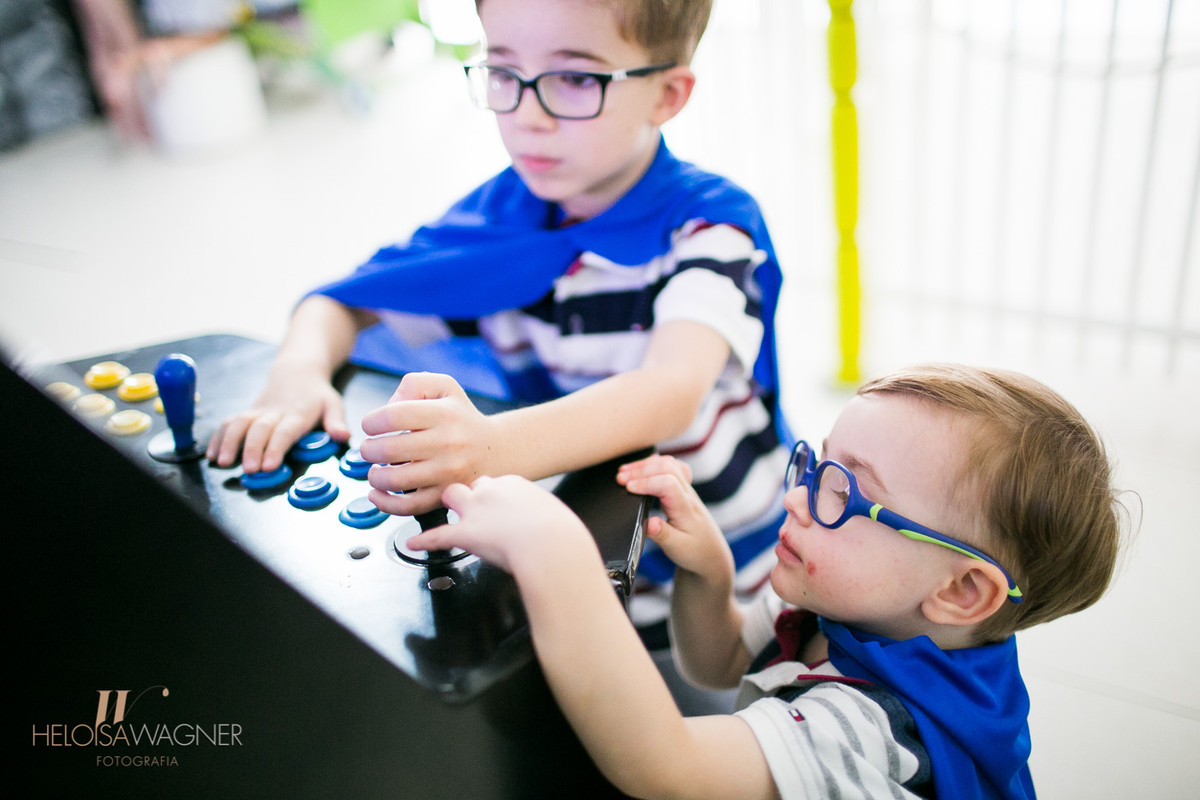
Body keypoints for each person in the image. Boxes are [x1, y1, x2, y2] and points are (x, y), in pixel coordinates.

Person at [207, 0, 792, 622]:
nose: (527, 117)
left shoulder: (710, 229)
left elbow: (669, 391)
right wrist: (297, 373)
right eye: (504, 72)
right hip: (584, 563)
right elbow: (340, 302)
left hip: (732, 571)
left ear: (667, 95)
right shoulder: (495, 224)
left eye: (575, 78)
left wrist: (490, 446)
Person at [406, 363, 1128, 799]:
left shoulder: (874, 735)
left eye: (844, 491)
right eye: (817, 465)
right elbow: (719, 661)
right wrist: (710, 571)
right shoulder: (854, 602)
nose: (797, 497)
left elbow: (663, 767)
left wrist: (555, 550)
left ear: (960, 593)